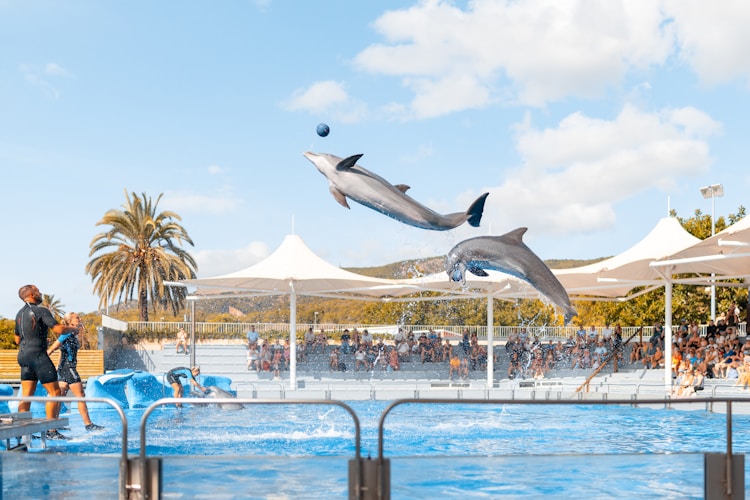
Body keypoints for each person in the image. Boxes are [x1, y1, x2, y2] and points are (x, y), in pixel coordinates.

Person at [14, 284, 78, 440]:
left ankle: (24, 432)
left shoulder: (19, 314)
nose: (40, 293)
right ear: (31, 295)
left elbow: (17, 340)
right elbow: (58, 329)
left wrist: (37, 338)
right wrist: (72, 329)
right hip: (38, 356)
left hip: (23, 356)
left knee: (26, 395)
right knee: (55, 392)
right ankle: (51, 431)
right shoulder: (41, 311)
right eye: (37, 291)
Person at [47, 312, 104, 431]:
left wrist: (58, 366)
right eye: (77, 318)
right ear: (70, 322)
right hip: (69, 368)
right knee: (80, 395)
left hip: (64, 368)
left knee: (60, 396)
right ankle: (88, 424)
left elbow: (62, 350)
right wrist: (43, 359)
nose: (80, 319)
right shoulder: (67, 333)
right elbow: (54, 347)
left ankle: (53, 424)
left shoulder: (71, 333)